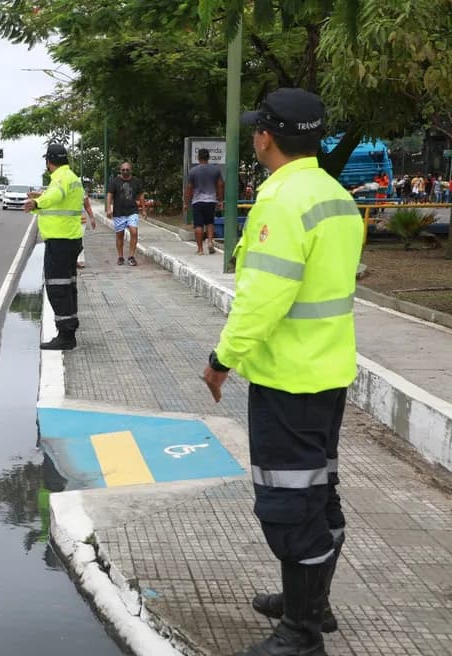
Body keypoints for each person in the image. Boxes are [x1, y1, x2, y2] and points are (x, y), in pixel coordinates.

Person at [202, 88, 364, 656]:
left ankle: (301, 632)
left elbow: (263, 299)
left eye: (256, 130)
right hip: (327, 374)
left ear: (266, 137)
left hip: (288, 381)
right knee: (320, 494)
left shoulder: (281, 201)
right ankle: (310, 602)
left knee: (289, 505)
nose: (254, 137)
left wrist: (223, 360)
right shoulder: (336, 196)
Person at [24, 143, 85, 350]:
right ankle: (68, 330)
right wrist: (39, 200)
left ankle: (66, 335)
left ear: (48, 161)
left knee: (58, 287)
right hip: (70, 240)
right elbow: (60, 202)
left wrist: (38, 203)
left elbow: (56, 196)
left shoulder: (60, 179)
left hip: (60, 242)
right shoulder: (73, 178)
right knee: (68, 287)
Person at [184, 148, 224, 255]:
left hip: (197, 201)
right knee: (210, 222)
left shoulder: (193, 171)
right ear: (208, 157)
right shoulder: (216, 170)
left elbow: (189, 188)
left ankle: (200, 249)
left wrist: (186, 203)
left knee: (198, 225)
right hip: (211, 200)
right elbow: (220, 185)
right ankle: (210, 242)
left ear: (198, 158)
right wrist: (220, 199)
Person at [106, 162, 144, 266]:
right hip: (119, 212)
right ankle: (120, 256)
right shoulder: (115, 182)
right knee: (120, 235)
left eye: (127, 169)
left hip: (132, 211)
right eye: (123, 170)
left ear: (130, 170)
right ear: (120, 170)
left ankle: (131, 256)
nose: (125, 171)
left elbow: (141, 195)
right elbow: (109, 195)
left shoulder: (136, 181)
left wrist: (143, 209)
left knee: (134, 232)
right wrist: (108, 208)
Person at [77, 195, 97, 268]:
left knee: (79, 240)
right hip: (67, 221)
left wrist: (92, 218)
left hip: (80, 221)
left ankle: (80, 260)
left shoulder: (81, 191)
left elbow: (87, 206)